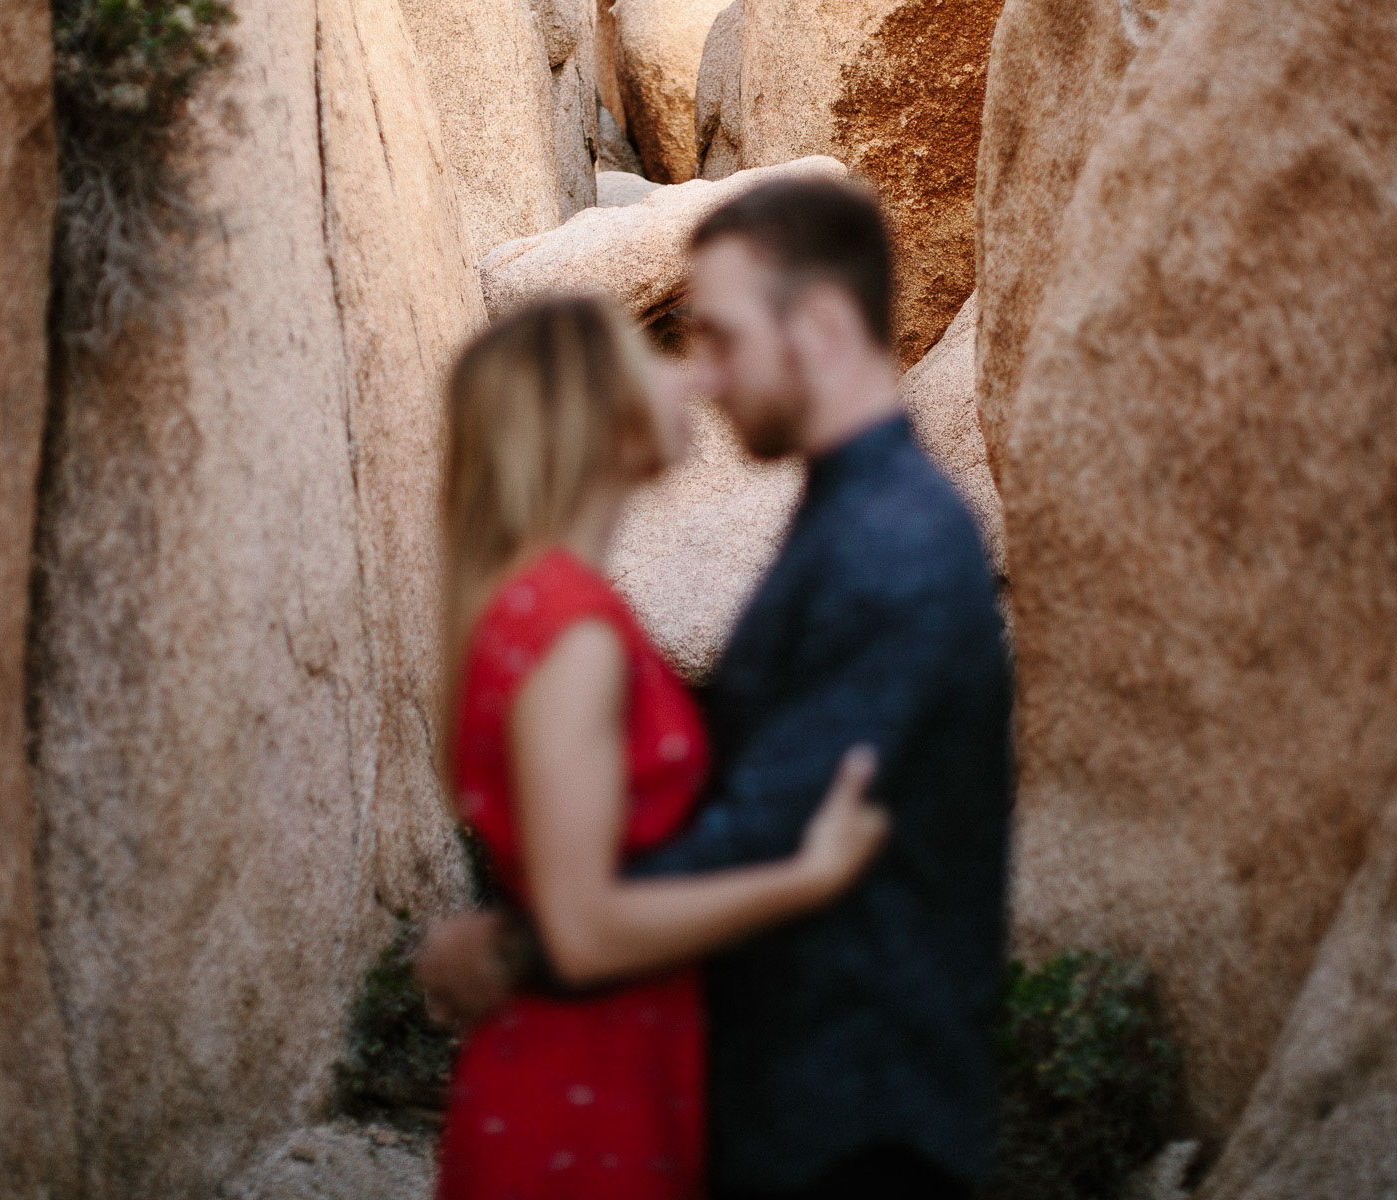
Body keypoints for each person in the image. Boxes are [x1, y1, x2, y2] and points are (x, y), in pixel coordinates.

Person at [422, 176, 1013, 1200]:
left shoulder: (888, 543)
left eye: (718, 337)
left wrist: (529, 942)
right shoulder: (842, 524)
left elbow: (772, 825)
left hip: (853, 1119)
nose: (700, 377)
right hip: (766, 1105)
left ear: (820, 326)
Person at [431, 293, 891, 1200]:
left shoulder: (539, 606)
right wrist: (809, 877)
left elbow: (567, 899)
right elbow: (588, 928)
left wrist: (512, 934)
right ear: (595, 414)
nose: (689, 380)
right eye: (656, 361)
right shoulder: (572, 629)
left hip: (600, 1075)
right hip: (583, 1111)